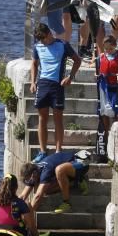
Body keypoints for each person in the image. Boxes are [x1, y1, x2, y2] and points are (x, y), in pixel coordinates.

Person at [31, 22, 82, 163]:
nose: (43, 42)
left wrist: (70, 77)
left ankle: (58, 150)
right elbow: (34, 63)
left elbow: (77, 60)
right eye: (40, 40)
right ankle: (43, 151)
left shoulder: (63, 45)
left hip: (57, 85)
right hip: (42, 84)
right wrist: (33, 82)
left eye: (44, 38)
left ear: (49, 34)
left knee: (58, 118)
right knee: (42, 119)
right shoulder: (38, 46)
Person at [20, 150, 91, 214]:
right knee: (46, 189)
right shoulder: (34, 171)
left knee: (59, 170)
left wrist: (28, 216)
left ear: (34, 174)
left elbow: (38, 196)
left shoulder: (45, 171)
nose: (30, 182)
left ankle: (66, 203)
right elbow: (23, 196)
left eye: (29, 179)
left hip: (83, 161)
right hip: (71, 165)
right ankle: (75, 181)